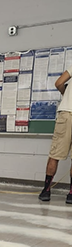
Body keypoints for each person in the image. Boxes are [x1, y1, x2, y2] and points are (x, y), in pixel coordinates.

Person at [38, 66, 72, 203]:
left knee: (55, 155)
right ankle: (71, 194)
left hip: (67, 113)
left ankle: (46, 191)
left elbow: (58, 83)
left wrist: (66, 94)